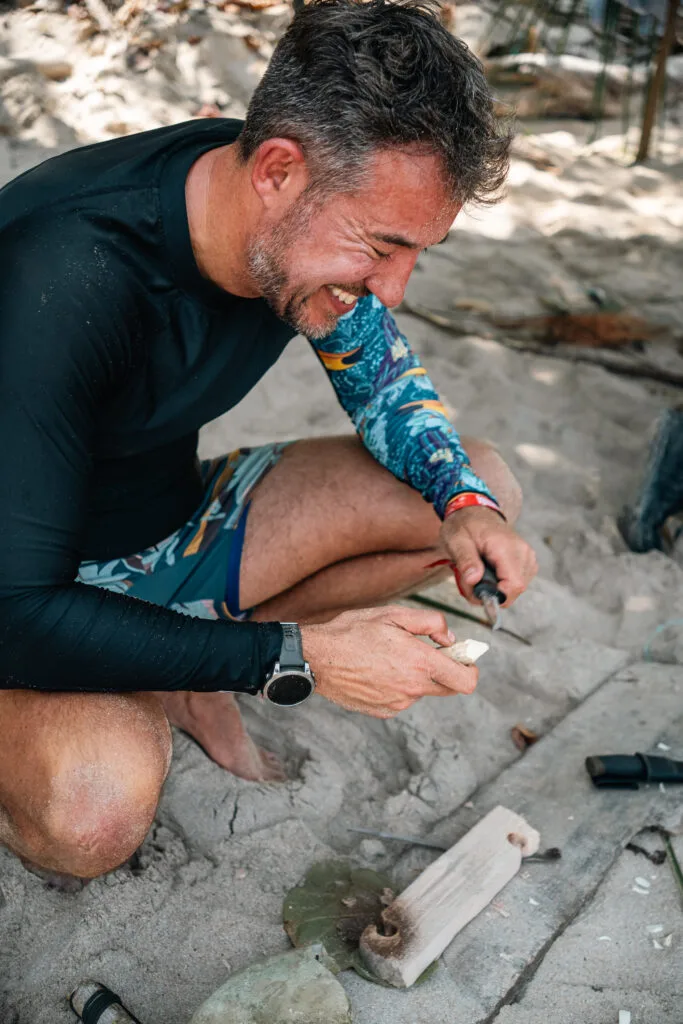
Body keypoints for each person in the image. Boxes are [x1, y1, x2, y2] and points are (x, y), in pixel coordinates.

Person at [0, 0, 537, 880]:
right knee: (93, 812)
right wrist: (296, 658)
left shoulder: (285, 204)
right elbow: (14, 608)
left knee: (481, 486)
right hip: (23, 597)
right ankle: (163, 676)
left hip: (173, 530)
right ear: (278, 172)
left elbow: (383, 384)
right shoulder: (58, 275)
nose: (392, 289)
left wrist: (465, 504)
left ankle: (183, 667)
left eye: (417, 254)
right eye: (381, 246)